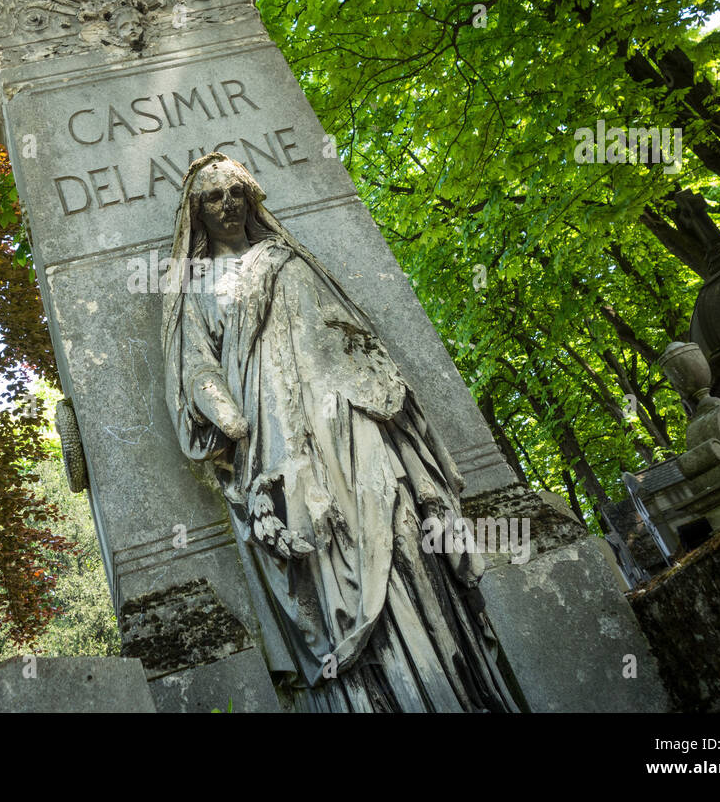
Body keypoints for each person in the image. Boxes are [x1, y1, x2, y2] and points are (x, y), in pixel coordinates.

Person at [161, 152, 518, 712]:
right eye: (213, 196)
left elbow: (350, 334)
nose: (227, 204)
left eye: (236, 192)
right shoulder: (197, 286)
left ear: (251, 199)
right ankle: (381, 691)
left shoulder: (288, 259)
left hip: (349, 421)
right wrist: (229, 417)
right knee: (323, 549)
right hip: (274, 441)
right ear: (196, 212)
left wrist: (381, 396)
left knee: (398, 531)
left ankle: (452, 679)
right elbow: (196, 367)